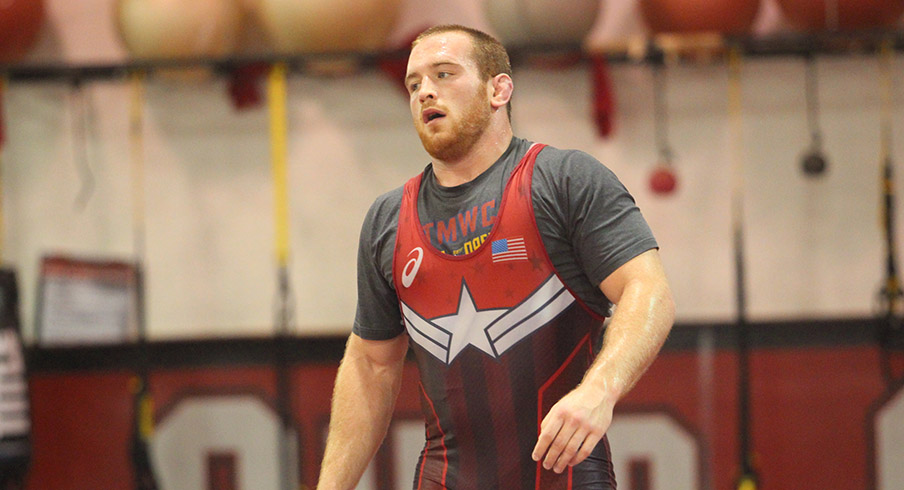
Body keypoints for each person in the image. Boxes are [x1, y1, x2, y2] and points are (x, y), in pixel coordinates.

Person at [317, 24, 675, 490]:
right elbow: (371, 365)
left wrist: (598, 391)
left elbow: (648, 290)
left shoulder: (564, 180)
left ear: (499, 89)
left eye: (444, 74)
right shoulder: (387, 220)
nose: (426, 92)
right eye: (414, 83)